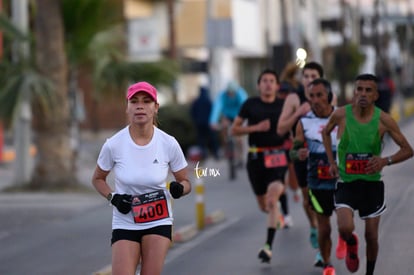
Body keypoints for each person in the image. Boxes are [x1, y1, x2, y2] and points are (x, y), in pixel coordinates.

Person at [91, 81, 192, 275]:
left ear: (155, 108)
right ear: (127, 107)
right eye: (134, 101)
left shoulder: (168, 143)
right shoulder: (114, 144)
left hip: (158, 220)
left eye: (146, 101)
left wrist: (179, 189)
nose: (140, 106)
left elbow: (185, 182)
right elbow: (97, 179)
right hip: (125, 220)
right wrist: (114, 198)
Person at [321, 74, 413, 275]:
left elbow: (408, 150)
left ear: (376, 95)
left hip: (371, 185)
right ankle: (351, 244)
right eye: (359, 89)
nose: (362, 94)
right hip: (346, 182)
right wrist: (331, 162)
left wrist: (384, 161)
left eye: (368, 90)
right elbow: (325, 132)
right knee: (345, 228)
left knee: (371, 236)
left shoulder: (384, 120)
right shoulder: (340, 115)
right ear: (354, 92)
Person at [231, 69, 291, 263]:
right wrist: (255, 128)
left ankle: (268, 247)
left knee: (272, 198)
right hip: (256, 158)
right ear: (258, 85)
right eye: (264, 81)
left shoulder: (283, 106)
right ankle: (277, 211)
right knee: (264, 205)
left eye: (271, 81)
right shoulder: (250, 105)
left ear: (277, 86)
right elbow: (234, 129)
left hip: (278, 156)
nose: (267, 84)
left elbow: (295, 127)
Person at [290, 78, 341, 275]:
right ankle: (327, 263)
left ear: (328, 96)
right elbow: (293, 152)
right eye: (312, 96)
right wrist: (298, 154)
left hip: (342, 181)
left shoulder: (341, 117)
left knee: (345, 225)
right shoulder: (303, 123)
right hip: (318, 181)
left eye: (320, 95)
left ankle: (347, 239)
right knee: (324, 226)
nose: (316, 100)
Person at [277, 61, 327, 254]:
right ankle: (314, 228)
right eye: (306, 76)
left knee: (323, 199)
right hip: (301, 154)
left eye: (313, 77)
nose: (309, 80)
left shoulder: (329, 97)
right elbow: (281, 128)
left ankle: (323, 241)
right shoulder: (293, 98)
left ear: (321, 78)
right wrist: (298, 112)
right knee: (308, 200)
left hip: (323, 155)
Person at [210, 80, 248, 164]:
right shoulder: (222, 95)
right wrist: (213, 121)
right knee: (223, 127)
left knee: (239, 138)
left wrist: (246, 118)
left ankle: (241, 156)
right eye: (229, 93)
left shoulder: (240, 94)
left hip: (238, 115)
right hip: (227, 115)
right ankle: (226, 145)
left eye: (233, 93)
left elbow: (245, 106)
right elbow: (217, 108)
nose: (231, 95)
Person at [190, 86, 219, 159]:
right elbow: (213, 112)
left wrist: (195, 120)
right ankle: (215, 153)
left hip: (199, 123)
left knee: (201, 139)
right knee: (212, 139)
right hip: (208, 123)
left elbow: (192, 112)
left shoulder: (196, 101)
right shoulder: (208, 101)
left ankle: (203, 154)